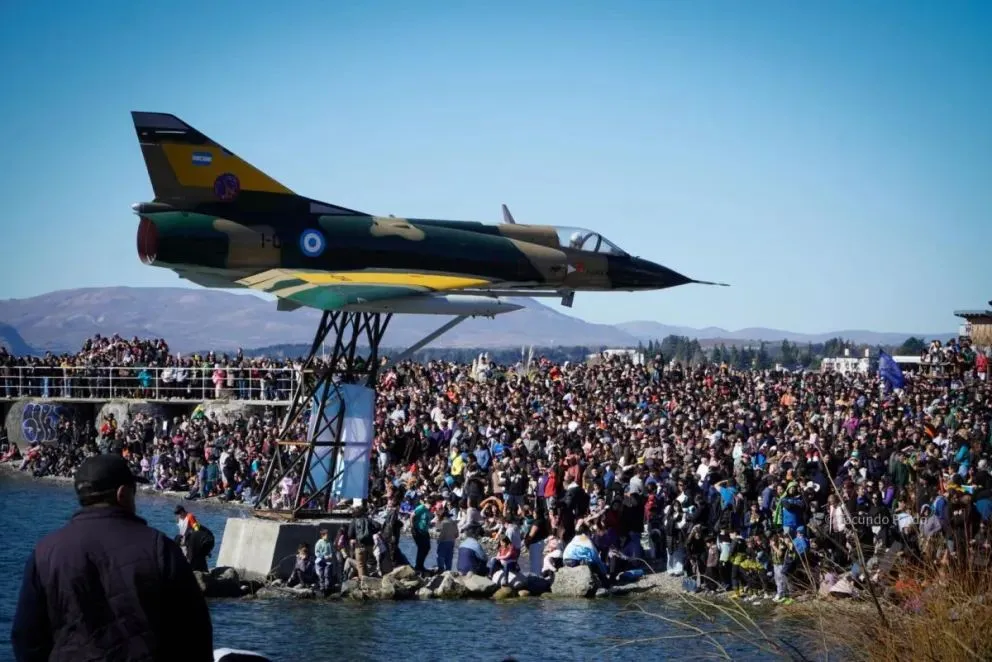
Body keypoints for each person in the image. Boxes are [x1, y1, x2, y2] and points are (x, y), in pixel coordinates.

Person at [11, 453, 213, 661]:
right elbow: (195, 632)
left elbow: (26, 638)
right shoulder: (159, 548)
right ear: (122, 494)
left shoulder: (45, 552)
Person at [175, 505, 214, 572]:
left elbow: (196, 529)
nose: (178, 516)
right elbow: (181, 530)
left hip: (195, 538)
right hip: (186, 538)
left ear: (182, 512)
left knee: (193, 556)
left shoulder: (190, 516)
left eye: (179, 514)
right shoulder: (179, 519)